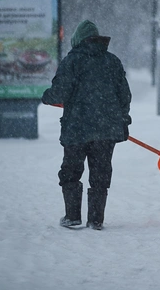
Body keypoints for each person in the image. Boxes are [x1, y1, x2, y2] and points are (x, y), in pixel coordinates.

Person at [42, 20, 132, 230]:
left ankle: (72, 216)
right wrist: (123, 120)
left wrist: (46, 97)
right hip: (106, 129)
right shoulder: (112, 61)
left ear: (78, 41)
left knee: (71, 171)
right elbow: (124, 96)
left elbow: (60, 92)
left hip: (77, 128)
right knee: (100, 173)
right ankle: (96, 220)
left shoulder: (72, 61)